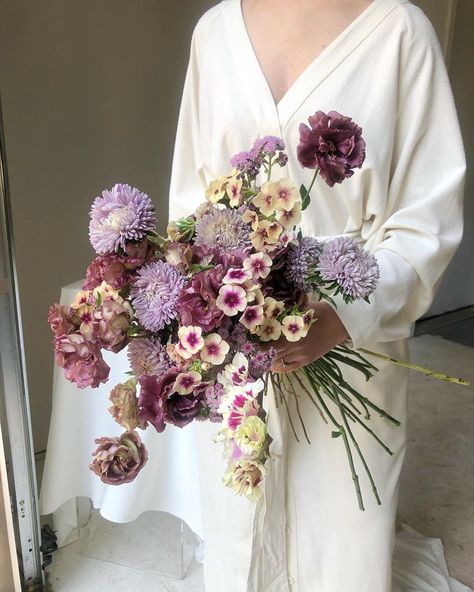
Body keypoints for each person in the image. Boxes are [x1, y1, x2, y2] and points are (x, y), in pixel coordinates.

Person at [167, 0, 468, 590]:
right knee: (240, 517)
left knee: (343, 530)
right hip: (236, 338)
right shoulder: (214, 33)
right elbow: (188, 202)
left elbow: (427, 220)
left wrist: (344, 314)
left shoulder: (401, 34)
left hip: (353, 338)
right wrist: (210, 299)